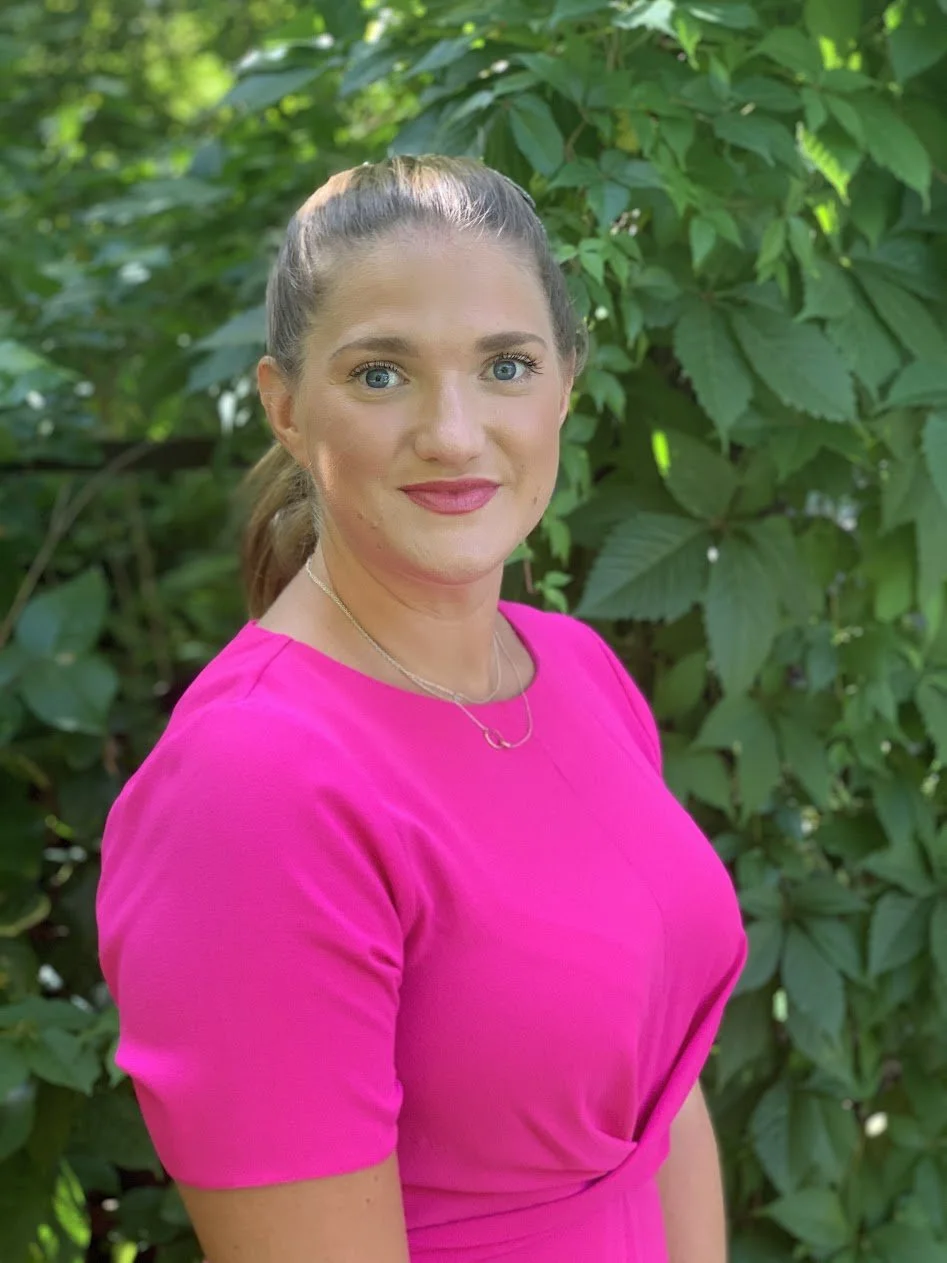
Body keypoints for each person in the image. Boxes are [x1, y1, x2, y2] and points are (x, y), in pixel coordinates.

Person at [95, 155, 748, 1263]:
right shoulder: (253, 784)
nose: (453, 433)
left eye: (504, 364)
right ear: (285, 407)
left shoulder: (574, 670)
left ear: (563, 388)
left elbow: (659, 1100)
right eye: (381, 374)